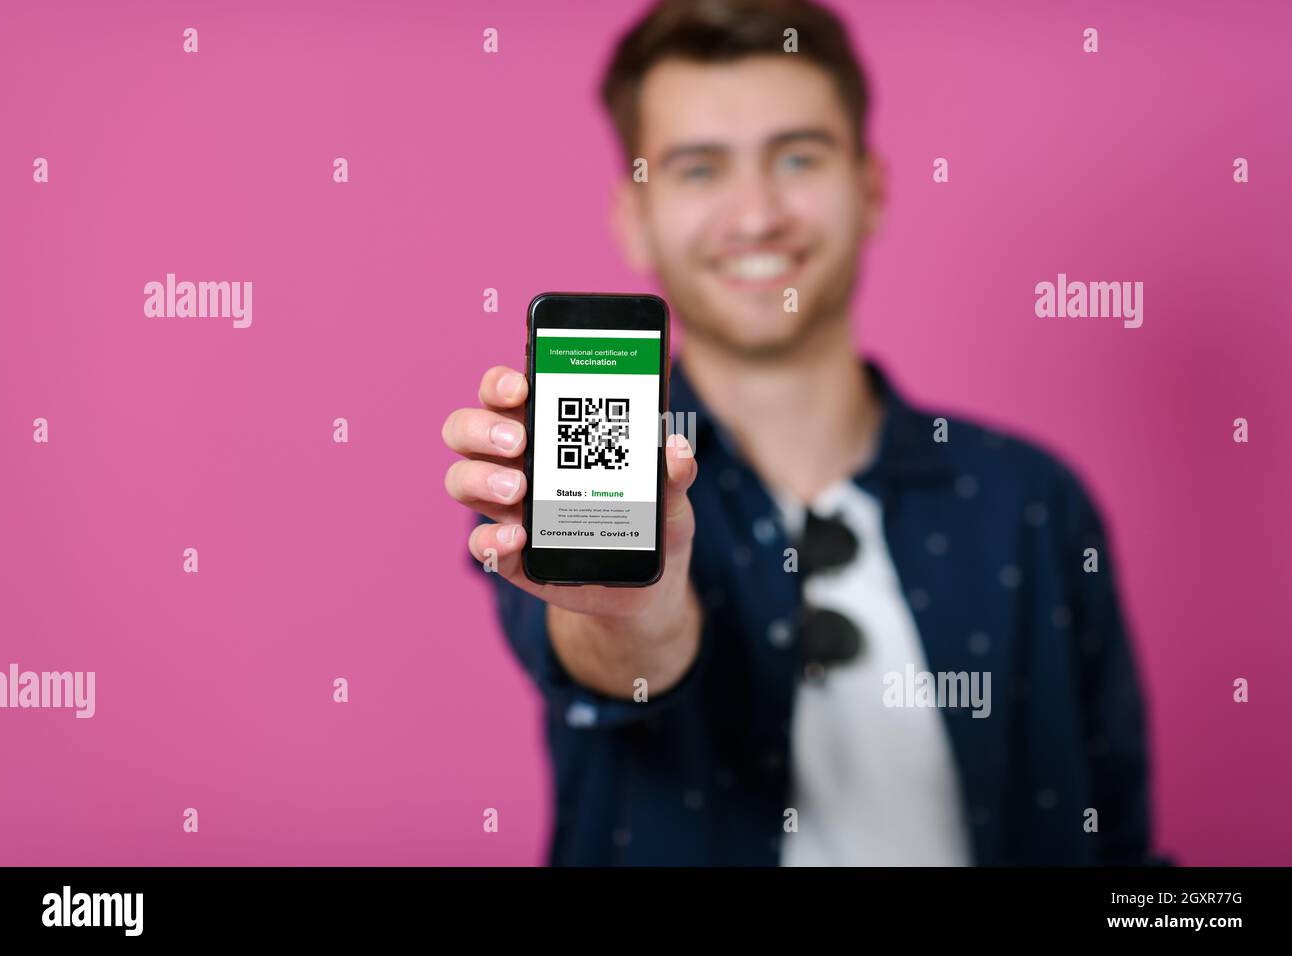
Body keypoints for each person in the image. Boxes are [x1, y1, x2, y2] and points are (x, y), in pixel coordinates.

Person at [441, 0, 1157, 866]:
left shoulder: (1034, 503)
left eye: (797, 157)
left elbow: (1120, 853)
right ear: (635, 217)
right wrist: (634, 610)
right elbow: (605, 657)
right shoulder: (550, 474)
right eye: (699, 170)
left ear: (871, 190)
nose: (756, 214)